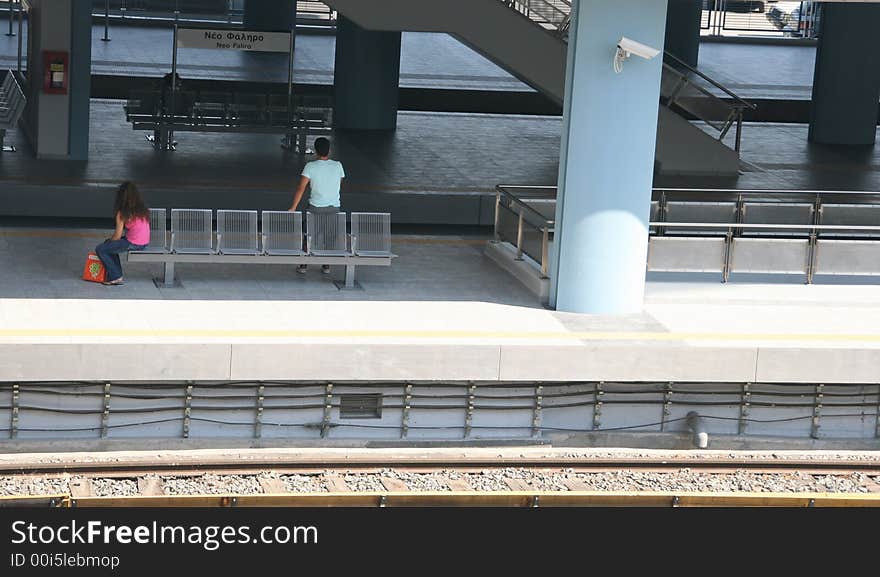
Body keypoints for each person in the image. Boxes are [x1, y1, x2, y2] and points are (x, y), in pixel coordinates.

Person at [289, 137, 345, 274]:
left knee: (309, 235)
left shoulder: (311, 166)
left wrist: (293, 207)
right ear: (329, 151)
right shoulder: (338, 165)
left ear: (315, 151)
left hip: (315, 207)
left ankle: (304, 265)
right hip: (333, 207)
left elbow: (301, 188)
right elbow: (339, 182)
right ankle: (327, 265)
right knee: (329, 236)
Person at [95, 182, 151, 286]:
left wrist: (108, 242)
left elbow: (117, 236)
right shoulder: (142, 209)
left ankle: (115, 276)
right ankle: (116, 275)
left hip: (133, 243)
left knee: (101, 249)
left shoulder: (123, 212)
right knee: (110, 247)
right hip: (144, 242)